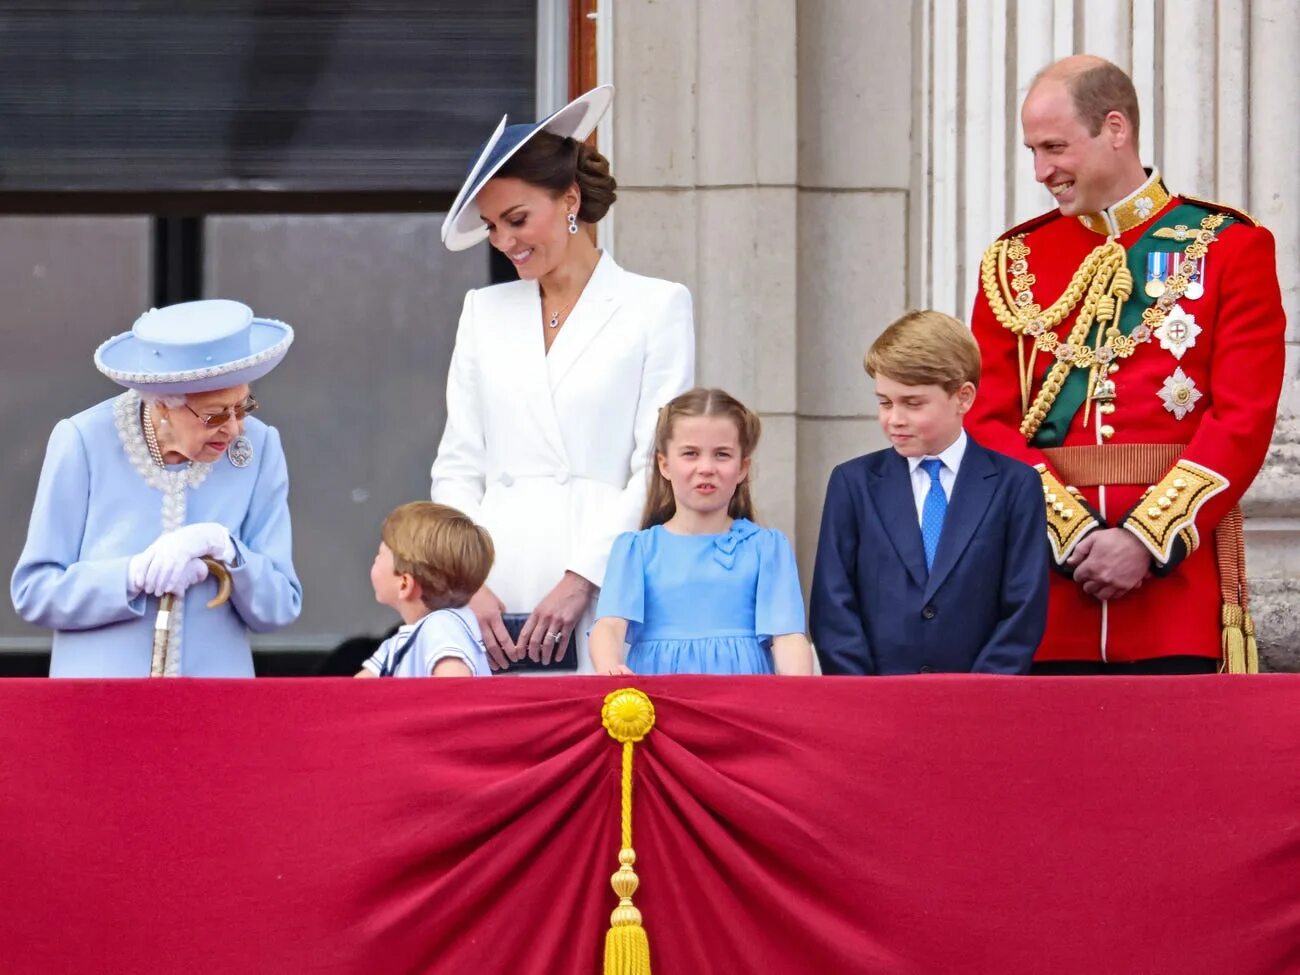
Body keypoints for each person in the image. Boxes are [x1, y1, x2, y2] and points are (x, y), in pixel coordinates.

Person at [964, 55, 1287, 674]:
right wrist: (1074, 534)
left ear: (1116, 128)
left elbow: (1242, 419)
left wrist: (1145, 538)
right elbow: (985, 417)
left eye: (1054, 147)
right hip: (1046, 593)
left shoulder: (1228, 246)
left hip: (1177, 593)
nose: (1041, 171)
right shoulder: (1013, 262)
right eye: (1031, 150)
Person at [432, 85, 695, 673]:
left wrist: (584, 577)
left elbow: (655, 463)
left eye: (517, 219)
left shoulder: (656, 306)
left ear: (570, 198)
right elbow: (457, 464)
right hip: (491, 591)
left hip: (606, 581)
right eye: (492, 225)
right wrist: (466, 582)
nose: (504, 242)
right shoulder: (483, 310)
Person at [11, 299, 302, 677]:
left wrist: (228, 550)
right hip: (99, 708)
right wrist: (130, 576)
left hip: (214, 712)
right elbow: (35, 592)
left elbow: (280, 606)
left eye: (244, 406)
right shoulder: (83, 441)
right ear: (163, 405)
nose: (234, 429)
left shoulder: (260, 448)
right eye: (215, 414)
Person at [810, 311, 1048, 675]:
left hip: (979, 706)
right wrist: (862, 695)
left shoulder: (1015, 485)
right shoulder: (853, 483)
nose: (894, 419)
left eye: (913, 403)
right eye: (885, 403)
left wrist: (979, 695)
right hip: (876, 704)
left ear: (963, 398)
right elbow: (834, 604)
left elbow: (1023, 607)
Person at [588, 388, 813, 676]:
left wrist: (798, 700)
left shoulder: (767, 547)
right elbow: (609, 625)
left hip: (742, 700)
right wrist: (610, 670)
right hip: (658, 700)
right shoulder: (636, 549)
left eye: (722, 454)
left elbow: (789, 637)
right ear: (664, 465)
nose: (706, 468)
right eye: (691, 454)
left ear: (743, 467)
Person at [356, 502, 493, 678]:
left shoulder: (442, 626)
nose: (374, 560)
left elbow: (454, 685)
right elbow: (354, 690)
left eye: (379, 554)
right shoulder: (398, 644)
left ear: (404, 584)